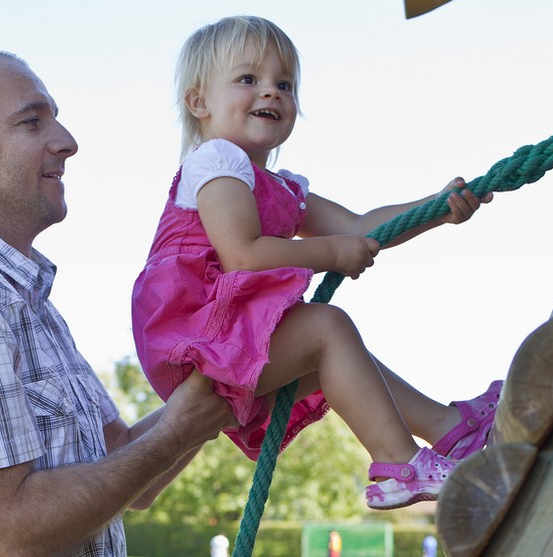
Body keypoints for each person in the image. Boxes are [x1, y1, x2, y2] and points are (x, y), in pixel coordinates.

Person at [0, 50, 236, 557]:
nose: (67, 143)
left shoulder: (23, 302)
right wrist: (181, 427)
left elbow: (125, 464)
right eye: (32, 122)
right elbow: (5, 533)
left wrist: (230, 377)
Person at [131, 15, 502, 511]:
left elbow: (361, 226)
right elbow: (242, 254)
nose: (271, 92)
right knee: (328, 326)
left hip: (230, 336)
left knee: (340, 354)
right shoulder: (215, 162)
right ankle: (398, 463)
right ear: (199, 102)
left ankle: (450, 430)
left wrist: (437, 208)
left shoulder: (282, 188)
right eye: (249, 79)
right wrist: (330, 254)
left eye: (284, 83)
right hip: (194, 334)